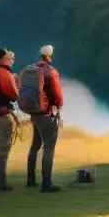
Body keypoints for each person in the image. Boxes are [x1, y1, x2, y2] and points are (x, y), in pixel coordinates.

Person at [25, 44, 64, 192]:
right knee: (49, 148)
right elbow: (58, 95)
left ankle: (30, 179)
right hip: (46, 114)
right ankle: (46, 184)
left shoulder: (31, 69)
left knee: (35, 145)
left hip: (34, 113)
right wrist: (59, 106)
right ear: (49, 56)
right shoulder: (50, 72)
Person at [0, 48, 19, 191]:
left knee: (0, 147)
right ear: (6, 59)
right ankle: (0, 184)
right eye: (12, 59)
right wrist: (16, 82)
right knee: (3, 149)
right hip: (2, 115)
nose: (13, 61)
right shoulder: (4, 73)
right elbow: (14, 96)